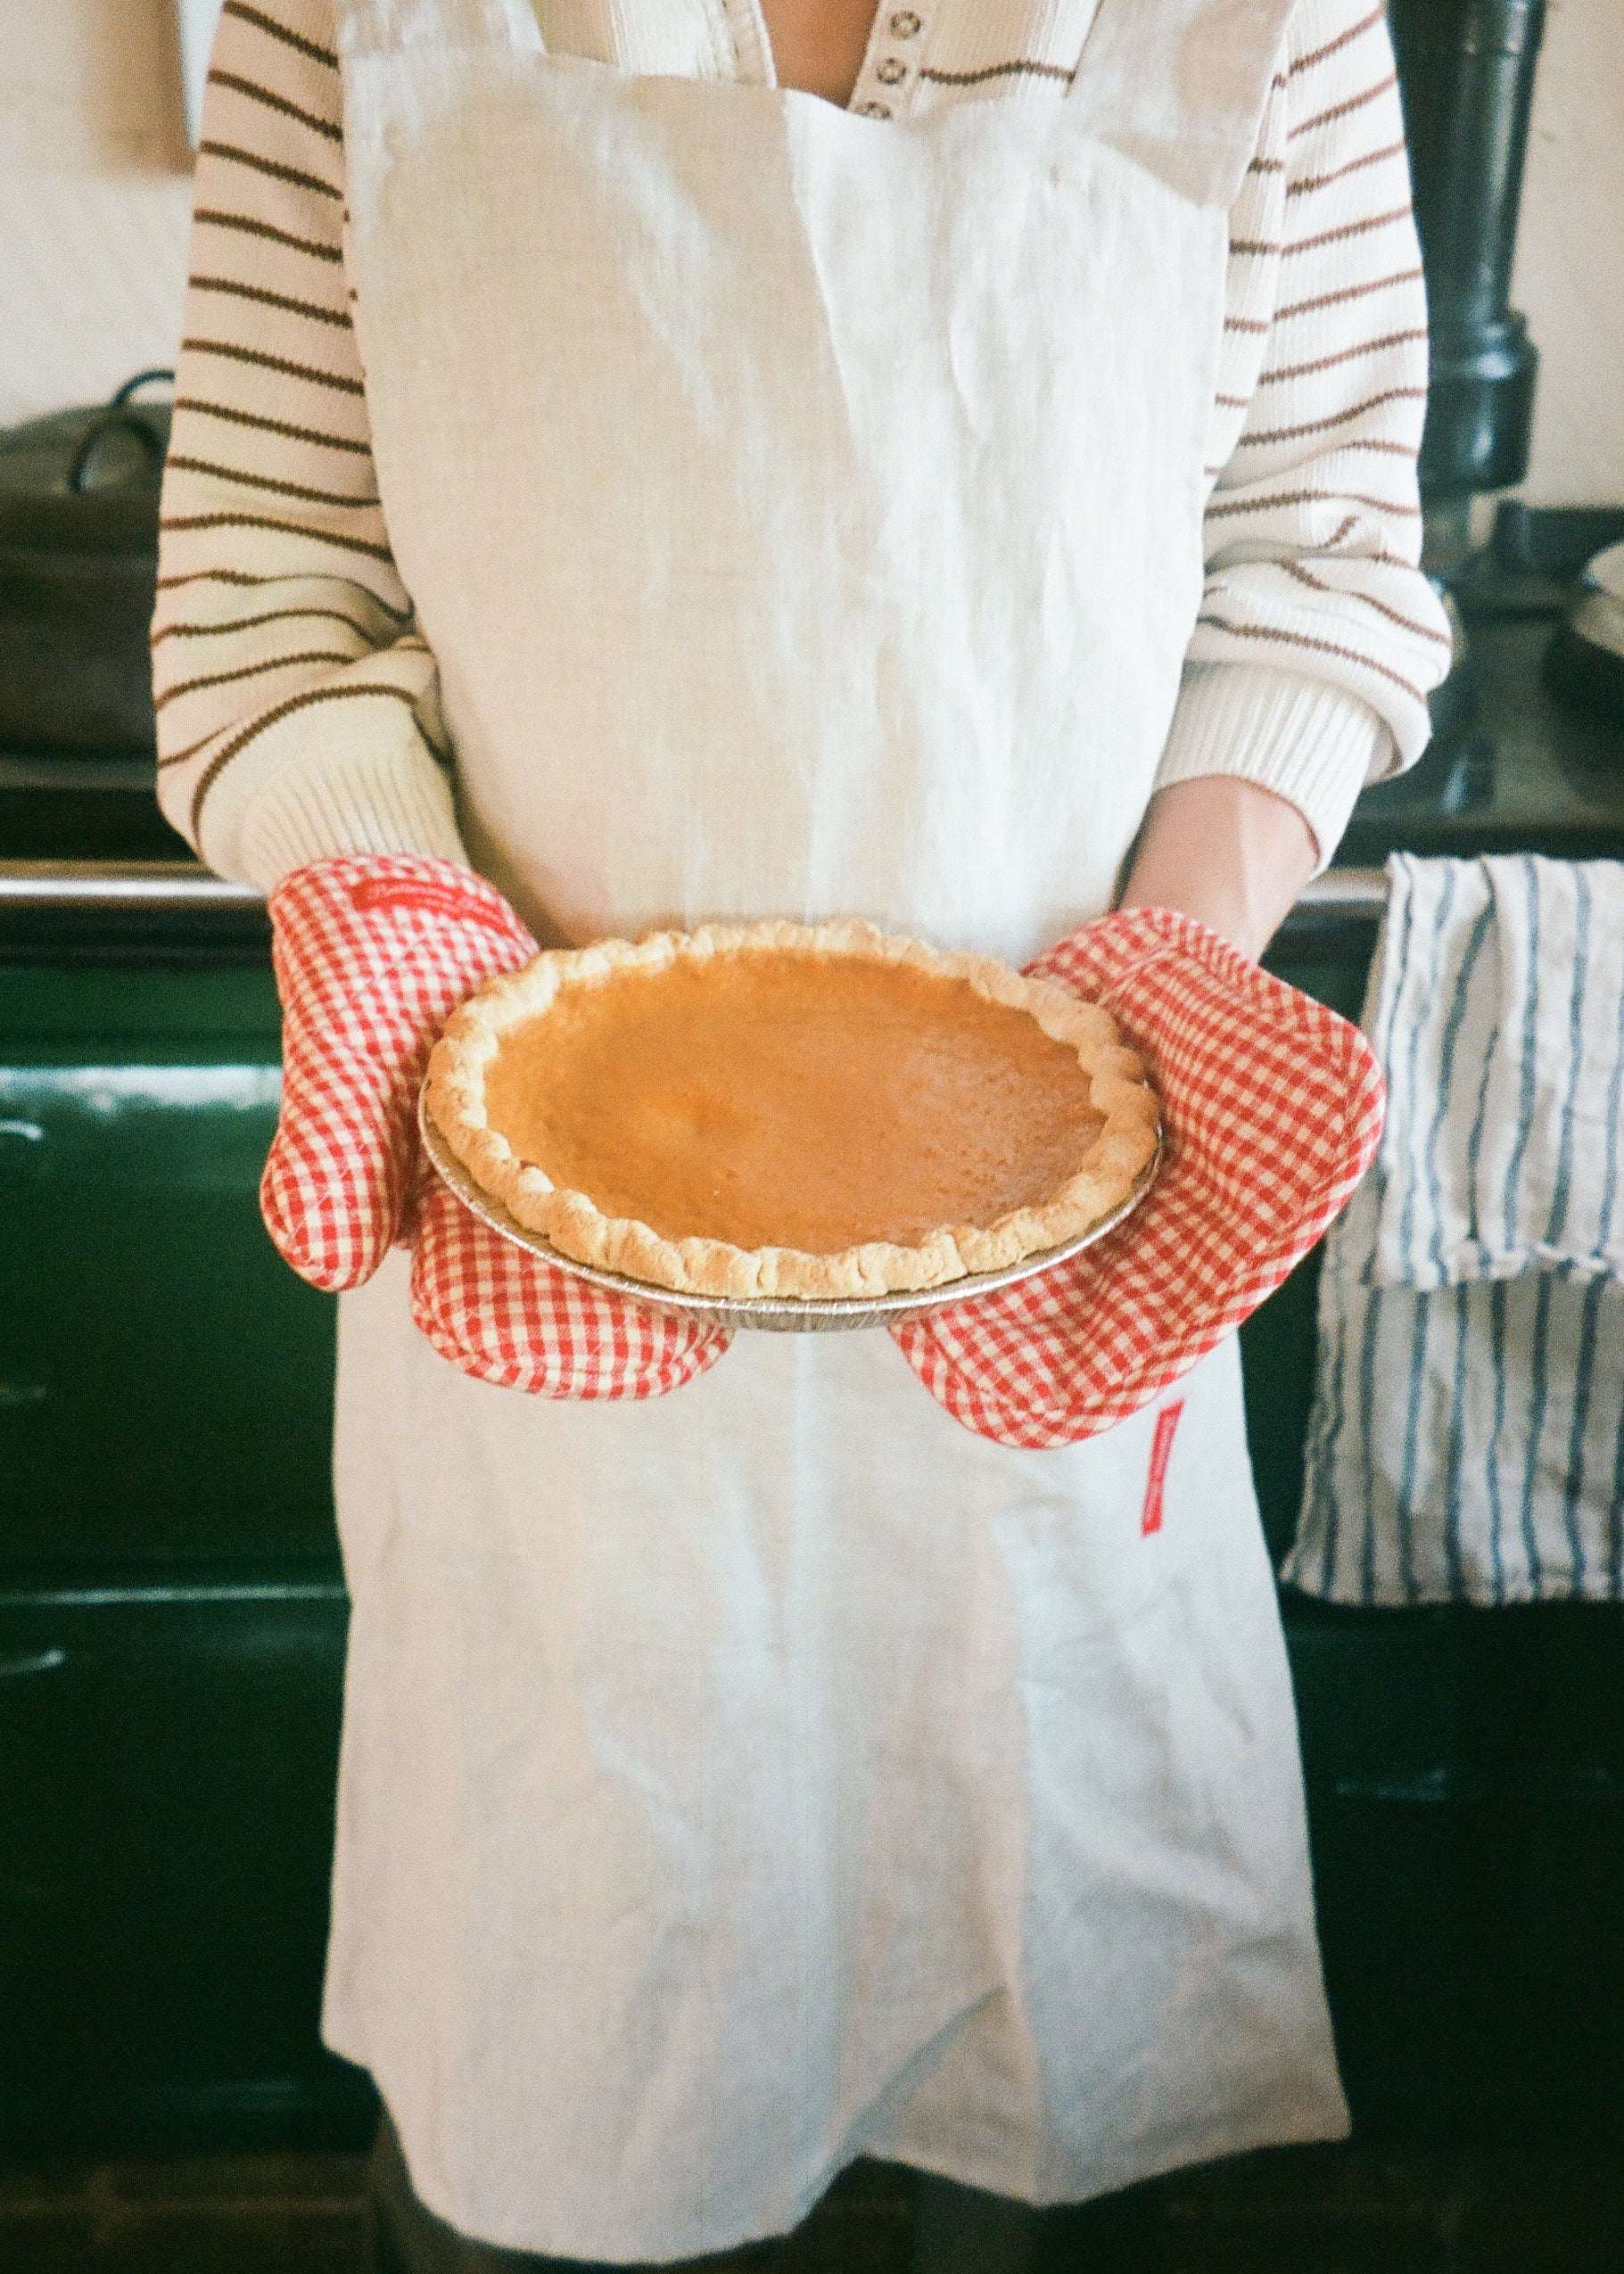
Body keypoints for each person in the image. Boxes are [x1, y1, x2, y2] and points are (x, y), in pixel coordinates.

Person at [153, 0, 1451, 2266]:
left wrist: (1180, 952)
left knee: (1033, 2066)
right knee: (573, 2061)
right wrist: (382, 904)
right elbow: (269, 594)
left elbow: (1311, 561)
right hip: (534, 1237)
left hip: (1068, 1218)